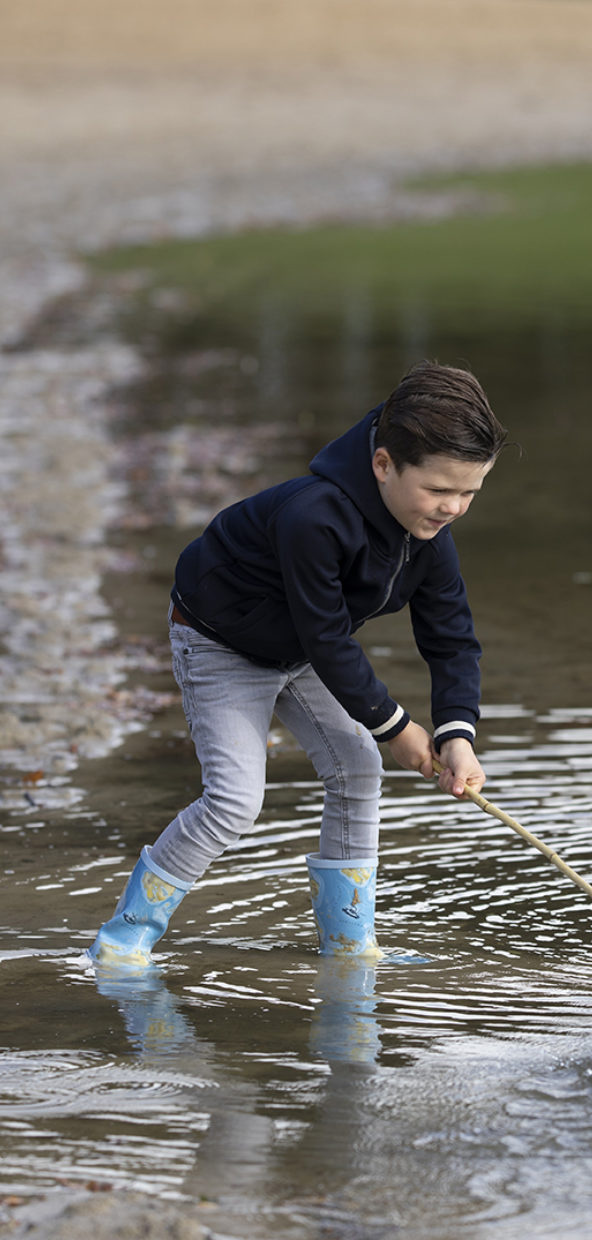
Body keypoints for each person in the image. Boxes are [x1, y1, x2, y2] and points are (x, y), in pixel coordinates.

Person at [89, 361, 507, 968]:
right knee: (235, 800)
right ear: (383, 464)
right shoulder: (314, 516)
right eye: (440, 490)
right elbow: (329, 637)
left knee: (359, 771)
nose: (453, 509)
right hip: (220, 642)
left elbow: (452, 639)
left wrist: (456, 734)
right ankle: (123, 940)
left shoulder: (429, 537)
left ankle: (349, 946)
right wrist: (398, 728)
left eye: (470, 492)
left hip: (303, 651)